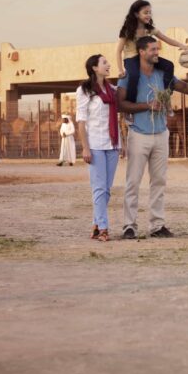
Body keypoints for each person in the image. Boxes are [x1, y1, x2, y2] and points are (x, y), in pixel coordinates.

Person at [116, 36, 188, 239]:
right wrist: (147, 106)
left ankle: (157, 225)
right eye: (152, 49)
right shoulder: (129, 74)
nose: (156, 53)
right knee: (133, 182)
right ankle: (129, 226)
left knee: (159, 181)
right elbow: (121, 104)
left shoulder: (164, 74)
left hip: (161, 134)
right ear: (142, 52)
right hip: (138, 134)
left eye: (157, 49)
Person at [75, 55, 124, 242]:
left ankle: (96, 224)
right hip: (95, 145)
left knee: (107, 189)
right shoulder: (84, 90)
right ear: (94, 68)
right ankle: (104, 228)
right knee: (99, 188)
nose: (108, 65)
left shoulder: (113, 89)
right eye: (104, 63)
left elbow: (120, 114)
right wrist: (85, 148)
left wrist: (122, 142)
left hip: (112, 144)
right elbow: (81, 122)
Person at [116, 0, 188, 118]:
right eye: (145, 13)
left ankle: (166, 97)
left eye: (150, 12)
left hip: (145, 56)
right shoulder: (127, 30)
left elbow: (166, 39)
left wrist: (181, 45)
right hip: (131, 58)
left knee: (169, 65)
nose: (149, 15)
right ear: (136, 14)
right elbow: (118, 51)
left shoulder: (149, 29)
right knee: (134, 75)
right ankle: (130, 108)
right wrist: (120, 69)